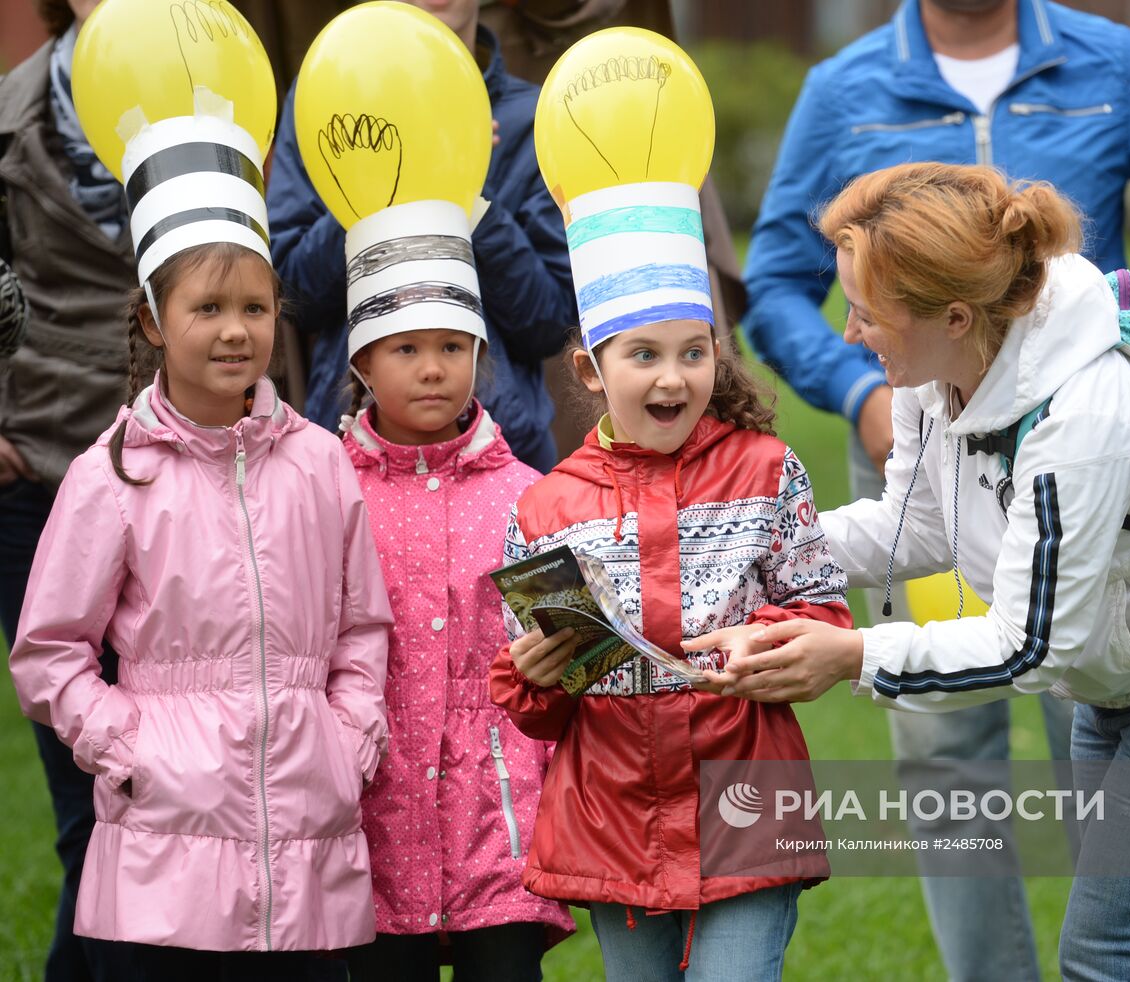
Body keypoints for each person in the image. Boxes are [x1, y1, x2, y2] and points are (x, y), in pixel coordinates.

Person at [693, 161, 1130, 980]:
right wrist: (750, 549)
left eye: (864, 314)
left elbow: (1033, 646)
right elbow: (914, 523)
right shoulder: (936, 377)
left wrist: (855, 656)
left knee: (1115, 960)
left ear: (955, 316)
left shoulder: (1083, 414)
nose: (849, 334)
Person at [741, 2, 1130, 974]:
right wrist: (861, 391)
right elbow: (776, 282)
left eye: (861, 315)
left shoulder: (1113, 60)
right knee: (946, 759)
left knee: (1093, 727)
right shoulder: (841, 88)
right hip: (920, 415)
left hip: (1083, 469)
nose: (852, 321)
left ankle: (1123, 941)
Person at [8, 68, 392, 973]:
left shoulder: (321, 464)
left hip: (308, 843)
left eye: (255, 309)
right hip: (162, 858)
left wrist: (349, 736)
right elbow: (50, 649)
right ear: (151, 318)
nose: (235, 332)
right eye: (207, 308)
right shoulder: (115, 476)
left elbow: (363, 625)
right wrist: (126, 744)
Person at [487, 140, 850, 974]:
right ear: (590, 368)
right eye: (643, 355)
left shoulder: (766, 470)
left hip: (745, 793)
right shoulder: (547, 508)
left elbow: (820, 607)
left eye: (694, 351)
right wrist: (538, 672)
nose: (674, 377)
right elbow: (535, 703)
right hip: (611, 807)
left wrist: (760, 643)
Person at [335, 196, 574, 979]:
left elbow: (577, 656)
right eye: (403, 348)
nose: (432, 368)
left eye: (449, 345)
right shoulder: (328, 495)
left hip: (499, 819)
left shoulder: (528, 496)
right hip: (372, 813)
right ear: (363, 363)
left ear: (479, 349)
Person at [267, 0, 575, 472]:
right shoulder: (322, 99)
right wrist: (372, 184)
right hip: (353, 453)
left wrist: (466, 189)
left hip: (505, 457)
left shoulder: (534, 118)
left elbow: (549, 324)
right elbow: (293, 296)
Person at [0, 2, 139, 976]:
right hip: (40, 473)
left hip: (185, 480)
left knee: (172, 800)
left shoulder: (226, 95)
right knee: (91, 810)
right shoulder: (12, 112)